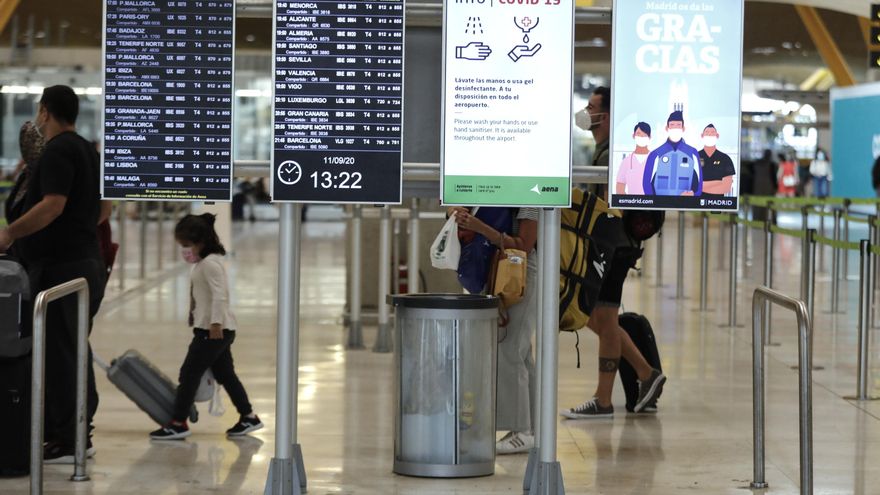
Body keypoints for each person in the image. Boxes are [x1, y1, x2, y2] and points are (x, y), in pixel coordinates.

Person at [0, 86, 107, 463]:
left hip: (63, 269)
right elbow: (104, 208)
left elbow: (52, 206)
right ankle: (74, 432)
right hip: (83, 264)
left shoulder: (59, 151)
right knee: (71, 348)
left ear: (45, 112)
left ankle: (67, 438)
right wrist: (79, 234)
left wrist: (10, 233)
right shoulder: (88, 152)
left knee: (62, 354)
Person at [562, 86, 666, 419]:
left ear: (604, 115)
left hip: (613, 245)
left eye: (592, 106)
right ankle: (645, 373)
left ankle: (605, 400)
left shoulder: (610, 155)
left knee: (603, 318)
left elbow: (610, 206)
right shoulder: (605, 150)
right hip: (616, 244)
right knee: (596, 316)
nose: (586, 111)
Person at [150, 214, 263, 440]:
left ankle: (178, 422)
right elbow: (202, 295)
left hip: (214, 331)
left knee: (189, 374)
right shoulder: (204, 263)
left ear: (200, 242)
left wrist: (214, 323)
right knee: (226, 375)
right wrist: (195, 315)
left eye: (185, 245)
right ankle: (248, 416)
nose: (184, 251)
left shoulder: (210, 263)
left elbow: (220, 296)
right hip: (215, 329)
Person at [450, 206, 538, 454]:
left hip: (520, 272)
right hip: (501, 268)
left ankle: (520, 429)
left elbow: (523, 246)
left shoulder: (533, 198)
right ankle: (532, 428)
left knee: (509, 348)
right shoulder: (498, 191)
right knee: (521, 353)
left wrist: (480, 228)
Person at [642, 110, 702, 197]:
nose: (675, 128)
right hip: (660, 205)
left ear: (683, 128)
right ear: (667, 128)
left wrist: (693, 195)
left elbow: (699, 184)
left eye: (678, 125)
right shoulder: (655, 154)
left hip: (684, 205)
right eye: (672, 125)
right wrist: (654, 203)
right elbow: (646, 183)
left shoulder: (692, 153)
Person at [698, 124, 736, 197]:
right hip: (696, 204)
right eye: (707, 133)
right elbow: (691, 185)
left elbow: (726, 188)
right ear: (702, 135)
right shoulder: (695, 157)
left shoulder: (725, 159)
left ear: (717, 136)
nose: (709, 135)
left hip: (717, 204)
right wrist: (717, 182)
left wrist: (700, 186)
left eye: (712, 133)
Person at [615, 122, 652, 195]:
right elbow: (620, 187)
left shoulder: (655, 160)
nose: (641, 137)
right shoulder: (626, 161)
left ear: (649, 137)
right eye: (638, 134)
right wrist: (628, 204)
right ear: (633, 136)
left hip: (653, 204)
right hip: (632, 203)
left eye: (644, 135)